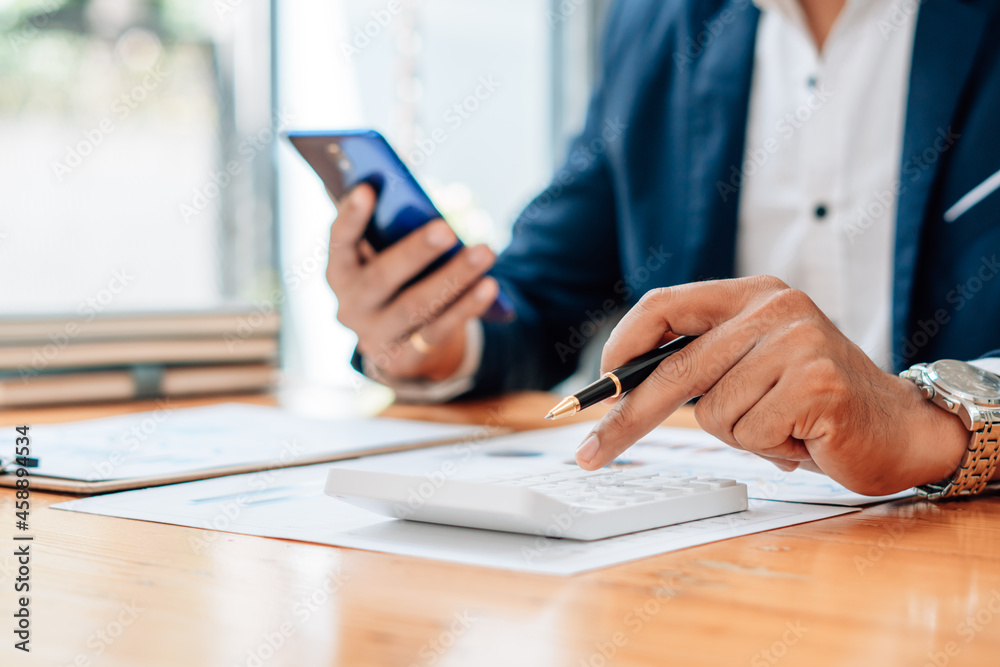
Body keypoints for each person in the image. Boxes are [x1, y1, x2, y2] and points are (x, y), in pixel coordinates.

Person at [326, 0, 1000, 498]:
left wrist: (925, 424)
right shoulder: (655, 24)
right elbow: (543, 295)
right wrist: (436, 337)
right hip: (729, 548)